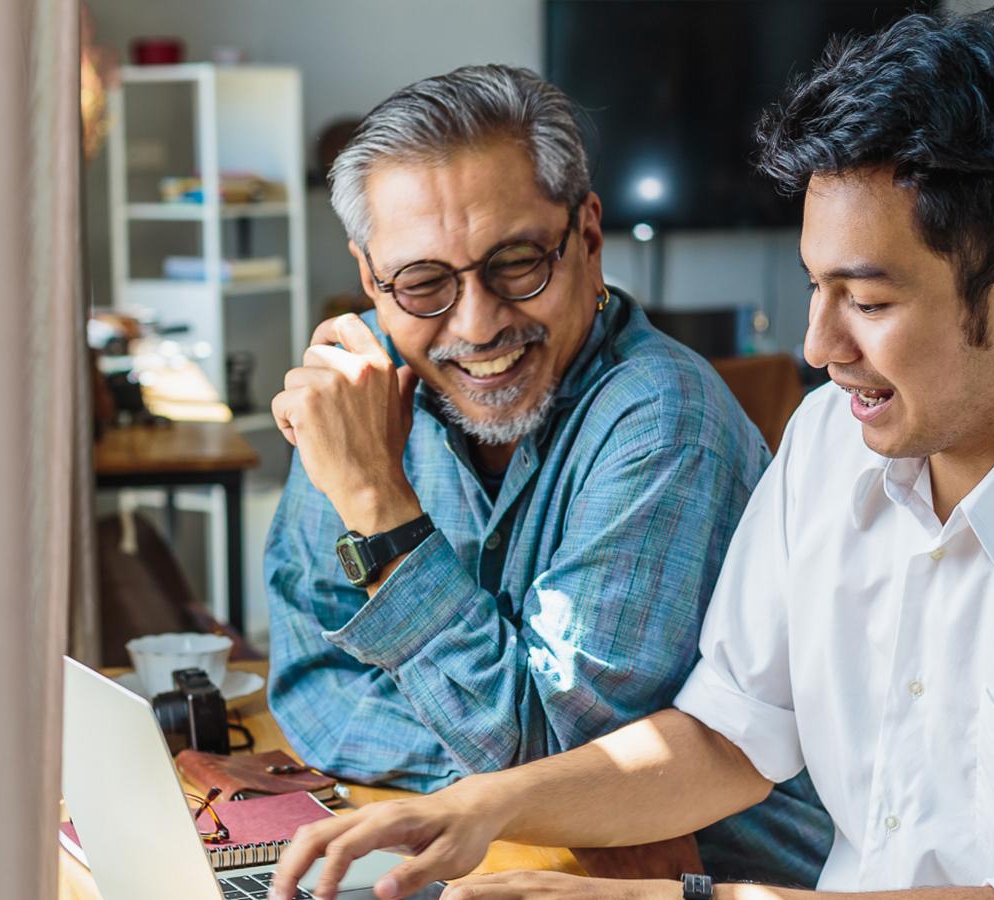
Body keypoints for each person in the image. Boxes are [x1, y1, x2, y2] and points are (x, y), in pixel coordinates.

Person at [270, 12, 994, 900]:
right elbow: (725, 738)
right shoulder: (829, 448)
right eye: (815, 289)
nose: (817, 348)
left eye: (869, 300)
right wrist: (478, 809)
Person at [262, 64, 830, 886]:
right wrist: (494, 778)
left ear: (588, 238)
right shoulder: (355, 391)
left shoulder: (664, 415)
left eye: (517, 263)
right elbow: (311, 684)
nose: (478, 322)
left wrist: (376, 504)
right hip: (494, 857)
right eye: (423, 283)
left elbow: (555, 754)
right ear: (370, 281)